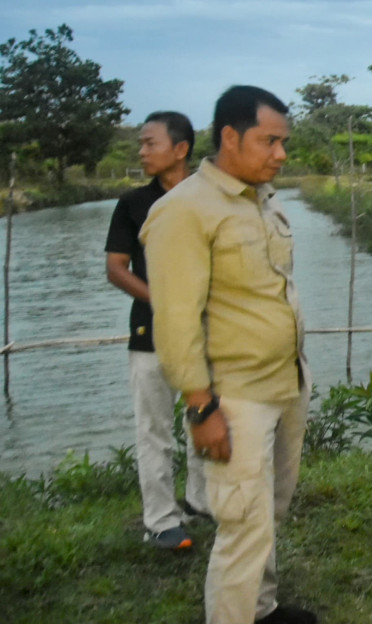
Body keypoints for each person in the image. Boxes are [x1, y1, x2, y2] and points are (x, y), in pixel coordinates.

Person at [142, 86, 315, 624]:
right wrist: (201, 407)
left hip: (285, 384)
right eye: (269, 141)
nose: (280, 155)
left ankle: (259, 609)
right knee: (243, 525)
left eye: (283, 142)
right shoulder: (184, 211)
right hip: (235, 398)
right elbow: (174, 322)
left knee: (269, 513)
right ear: (229, 137)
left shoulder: (260, 198)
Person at [105, 111, 209, 550]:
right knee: (154, 429)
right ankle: (162, 520)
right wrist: (164, 302)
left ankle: (202, 502)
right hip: (151, 333)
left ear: (181, 149)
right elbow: (115, 268)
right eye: (141, 144)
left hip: (208, 332)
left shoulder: (212, 198)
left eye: (150, 143)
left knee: (205, 418)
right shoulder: (132, 203)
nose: (142, 152)